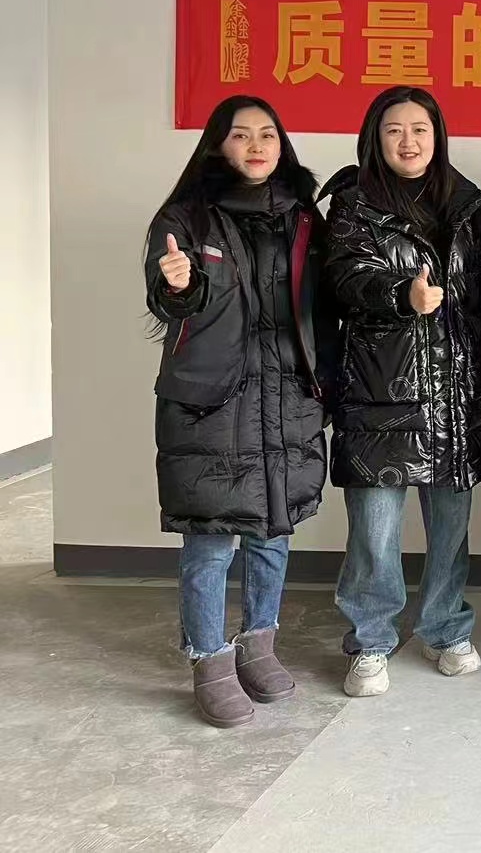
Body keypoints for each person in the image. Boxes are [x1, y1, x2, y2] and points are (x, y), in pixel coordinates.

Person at [321, 87, 481, 698]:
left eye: (420, 129)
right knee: (374, 533)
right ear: (374, 139)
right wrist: (400, 294)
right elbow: (343, 280)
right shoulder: (353, 206)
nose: (408, 142)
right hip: (379, 391)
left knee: (450, 530)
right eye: (394, 131)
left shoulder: (466, 206)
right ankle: (370, 640)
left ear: (438, 136)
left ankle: (445, 628)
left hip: (454, 392)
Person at [145, 95, 336, 728]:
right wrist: (178, 284)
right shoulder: (185, 217)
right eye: (241, 135)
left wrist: (325, 385)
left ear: (282, 145)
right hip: (213, 404)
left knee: (273, 533)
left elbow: (322, 307)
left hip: (286, 396)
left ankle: (259, 644)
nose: (256, 146)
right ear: (217, 145)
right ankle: (208, 658)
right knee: (210, 541)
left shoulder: (303, 218)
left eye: (267, 135)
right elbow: (172, 300)